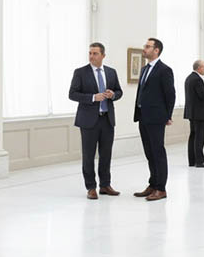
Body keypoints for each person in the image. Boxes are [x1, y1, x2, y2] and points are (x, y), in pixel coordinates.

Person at [68, 42, 123, 199]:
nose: (91, 56)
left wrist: (113, 95)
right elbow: (72, 94)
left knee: (106, 155)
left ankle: (105, 185)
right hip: (88, 121)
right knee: (88, 155)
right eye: (90, 53)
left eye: (95, 53)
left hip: (107, 120)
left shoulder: (111, 72)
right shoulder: (80, 72)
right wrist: (93, 97)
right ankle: (91, 187)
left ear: (103, 55)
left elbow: (119, 91)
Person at [133, 38, 175, 201]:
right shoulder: (145, 69)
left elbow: (170, 94)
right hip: (143, 116)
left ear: (156, 50)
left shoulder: (165, 70)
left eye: (147, 46)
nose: (144, 48)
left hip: (156, 117)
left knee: (158, 153)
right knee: (149, 152)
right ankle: (153, 184)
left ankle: (161, 189)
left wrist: (168, 116)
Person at [184, 60, 204, 168]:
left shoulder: (189, 78)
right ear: (199, 68)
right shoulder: (197, 79)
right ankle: (200, 161)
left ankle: (192, 160)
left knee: (193, 136)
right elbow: (202, 95)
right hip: (199, 114)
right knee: (199, 137)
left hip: (192, 113)